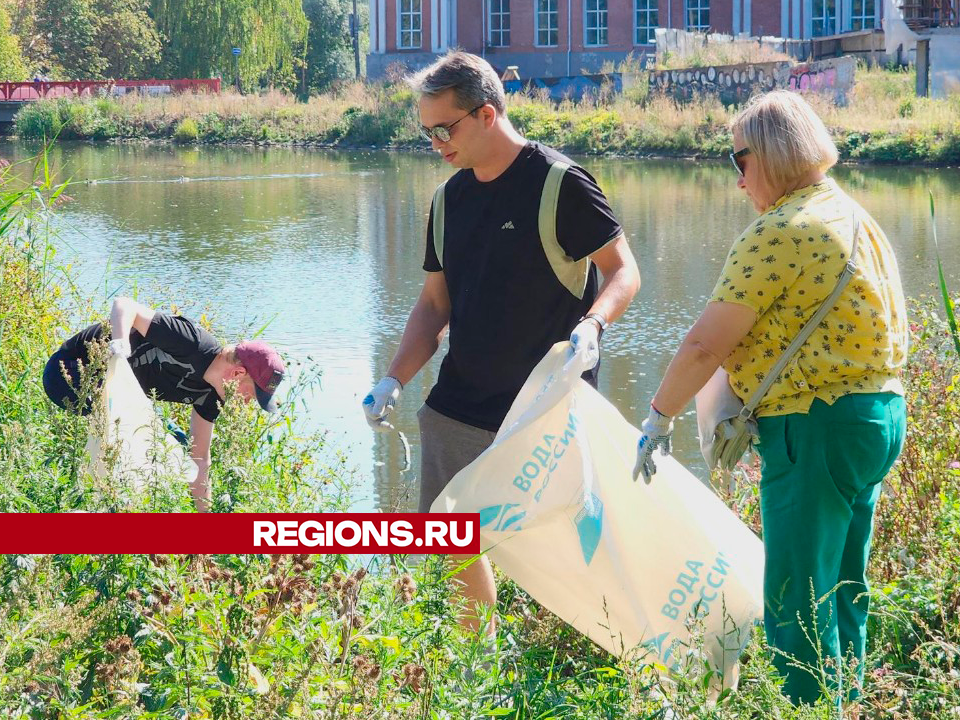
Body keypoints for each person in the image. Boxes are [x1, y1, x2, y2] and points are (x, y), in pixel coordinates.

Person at [634, 90, 907, 707]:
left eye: (739, 160)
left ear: (772, 154)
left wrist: (657, 419)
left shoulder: (781, 230)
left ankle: (806, 709)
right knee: (842, 585)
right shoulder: (854, 215)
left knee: (795, 597)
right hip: (879, 416)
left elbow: (705, 345)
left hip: (818, 426)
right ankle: (846, 701)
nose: (737, 180)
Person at [362, 51, 640, 636]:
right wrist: (393, 379)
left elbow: (624, 272)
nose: (436, 141)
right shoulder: (447, 200)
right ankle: (478, 665)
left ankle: (596, 652)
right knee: (445, 538)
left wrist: (594, 324)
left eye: (445, 128)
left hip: (544, 410)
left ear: (487, 114)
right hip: (460, 403)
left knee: (563, 551)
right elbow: (434, 305)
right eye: (426, 131)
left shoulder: (560, 183)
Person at [43, 296, 284, 512]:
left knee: (176, 445)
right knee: (149, 442)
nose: (248, 402)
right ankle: (99, 507)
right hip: (69, 374)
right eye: (252, 394)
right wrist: (119, 347)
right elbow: (124, 305)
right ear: (237, 373)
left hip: (113, 397)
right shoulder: (193, 343)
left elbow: (200, 458)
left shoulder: (212, 398)